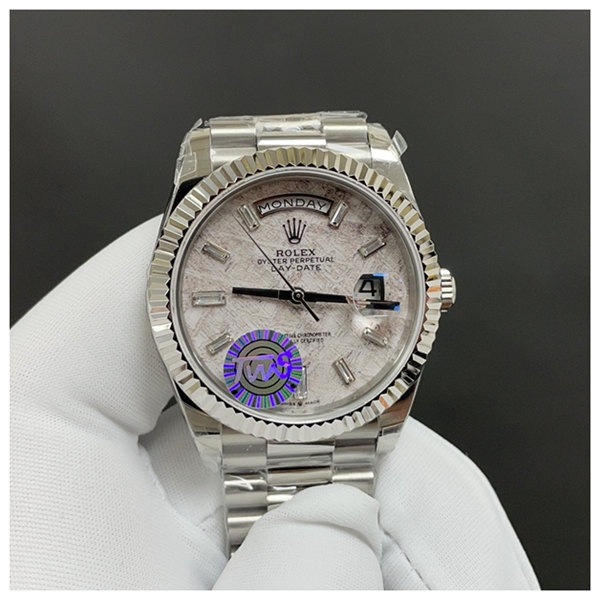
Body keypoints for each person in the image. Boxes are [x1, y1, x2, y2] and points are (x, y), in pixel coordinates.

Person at [10, 217, 540, 590]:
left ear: (435, 291)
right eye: (291, 295)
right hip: (239, 405)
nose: (298, 298)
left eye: (301, 297)